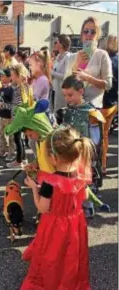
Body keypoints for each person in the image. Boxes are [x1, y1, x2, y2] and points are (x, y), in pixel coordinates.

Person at [20, 126, 92, 290]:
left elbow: (42, 208)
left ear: (53, 158)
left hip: (54, 226)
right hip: (75, 223)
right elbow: (85, 197)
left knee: (51, 255)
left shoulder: (49, 182)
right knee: (72, 255)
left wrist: (33, 187)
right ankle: (71, 282)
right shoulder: (81, 174)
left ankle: (51, 283)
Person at [57, 75, 110, 217]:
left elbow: (96, 140)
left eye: (70, 95)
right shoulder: (67, 110)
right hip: (70, 152)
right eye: (65, 95)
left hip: (85, 154)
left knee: (86, 181)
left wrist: (90, 155)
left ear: (81, 92)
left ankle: (88, 206)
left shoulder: (91, 113)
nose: (67, 98)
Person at [65, 17, 112, 109]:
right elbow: (65, 83)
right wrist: (77, 64)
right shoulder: (73, 56)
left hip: (92, 109)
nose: (89, 35)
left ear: (97, 35)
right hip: (73, 107)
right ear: (82, 34)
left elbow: (108, 85)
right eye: (86, 31)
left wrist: (88, 78)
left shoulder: (102, 55)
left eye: (93, 32)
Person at [0, 63, 33, 168]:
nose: (11, 77)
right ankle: (24, 159)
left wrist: (2, 105)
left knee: (18, 139)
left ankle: (18, 161)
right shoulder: (26, 87)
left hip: (18, 118)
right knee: (19, 139)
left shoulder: (19, 89)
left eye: (12, 75)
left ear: (18, 76)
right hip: (23, 117)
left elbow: (17, 106)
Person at [101, 35, 118, 175]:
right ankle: (104, 164)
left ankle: (101, 164)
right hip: (114, 103)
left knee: (100, 136)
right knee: (105, 135)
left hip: (103, 102)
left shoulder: (106, 60)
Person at [0, 68, 15, 161]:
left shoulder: (12, 90)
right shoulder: (1, 88)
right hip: (2, 115)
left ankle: (12, 153)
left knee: (11, 136)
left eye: (3, 76)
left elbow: (14, 105)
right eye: (0, 76)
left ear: (10, 77)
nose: (1, 77)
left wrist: (3, 105)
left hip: (10, 117)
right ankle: (2, 151)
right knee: (2, 134)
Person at [51, 34, 71, 112]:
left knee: (60, 113)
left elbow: (67, 76)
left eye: (57, 42)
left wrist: (52, 73)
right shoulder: (58, 56)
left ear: (62, 43)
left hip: (62, 91)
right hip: (54, 88)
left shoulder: (68, 57)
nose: (55, 43)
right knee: (54, 110)